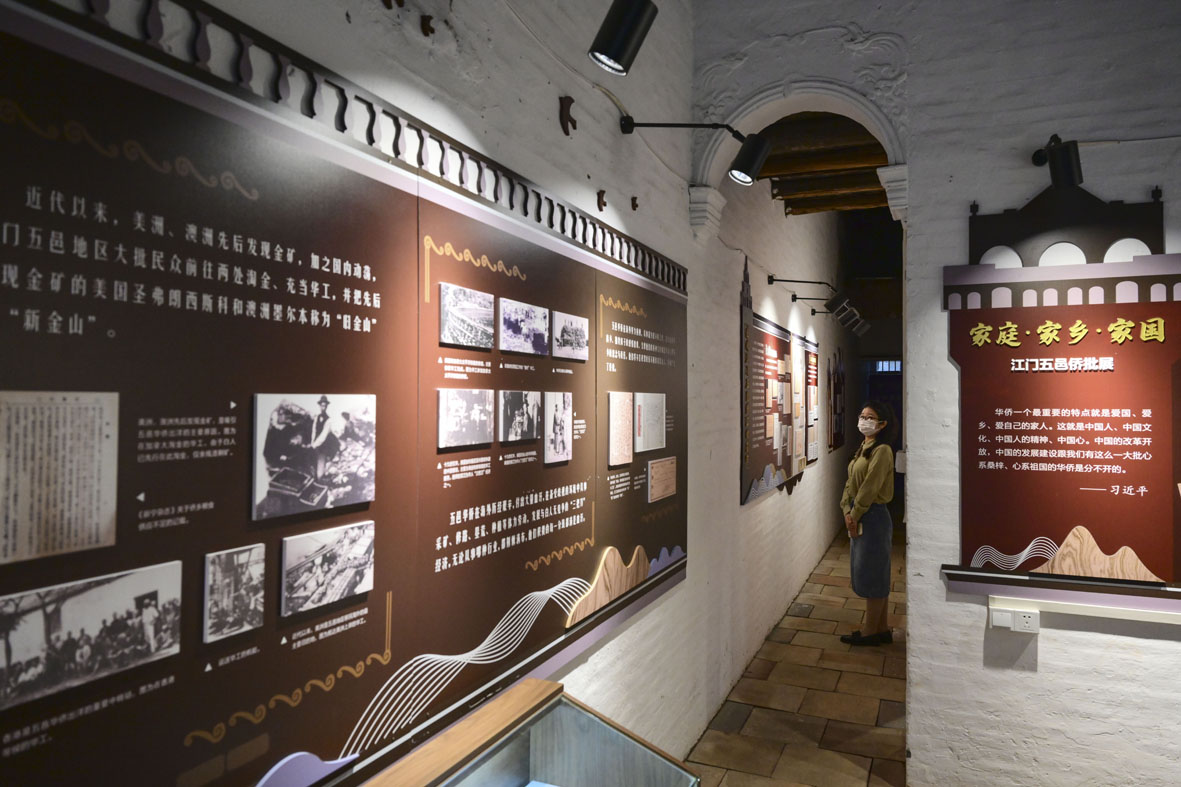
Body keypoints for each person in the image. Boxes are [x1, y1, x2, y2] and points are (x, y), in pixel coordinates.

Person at [839, 400, 897, 646]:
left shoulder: (882, 451)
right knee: (872, 572)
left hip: (873, 517)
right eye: (862, 416)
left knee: (874, 574)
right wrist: (846, 509)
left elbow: (870, 487)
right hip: (859, 513)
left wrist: (855, 514)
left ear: (882, 424)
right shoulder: (862, 448)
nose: (864, 420)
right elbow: (851, 483)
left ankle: (870, 631)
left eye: (870, 417)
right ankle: (881, 628)